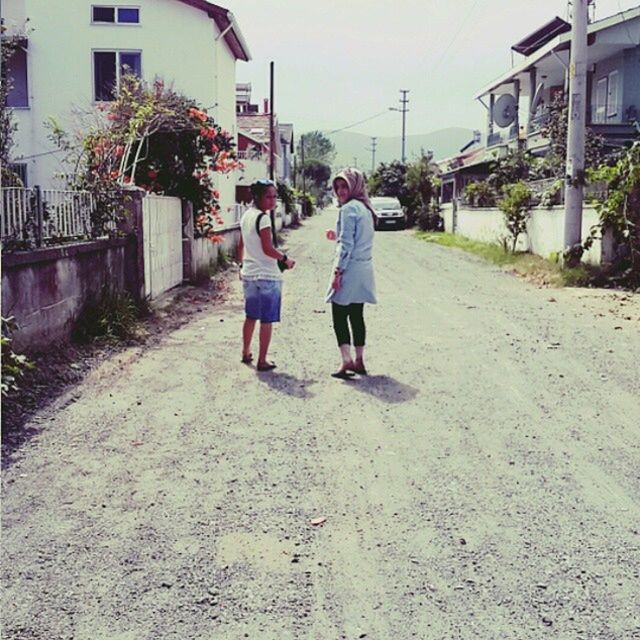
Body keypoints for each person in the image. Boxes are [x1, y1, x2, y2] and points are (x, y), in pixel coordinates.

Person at [236, 179, 295, 371]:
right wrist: (285, 259)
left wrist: (241, 265)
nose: (273, 201)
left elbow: (241, 244)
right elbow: (268, 249)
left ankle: (246, 352)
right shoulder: (263, 219)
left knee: (250, 316)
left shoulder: (246, 216)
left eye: (274, 196)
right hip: (267, 275)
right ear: (257, 197)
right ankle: (262, 360)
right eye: (268, 196)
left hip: (250, 274)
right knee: (267, 319)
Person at [326, 168, 377, 379]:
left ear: (354, 185)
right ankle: (359, 359)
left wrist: (338, 272)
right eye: (337, 186)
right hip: (365, 268)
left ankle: (346, 360)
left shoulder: (347, 210)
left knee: (339, 313)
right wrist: (336, 233)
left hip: (349, 268)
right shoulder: (366, 208)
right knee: (357, 314)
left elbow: (346, 245)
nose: (340, 190)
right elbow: (357, 237)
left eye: (344, 185)